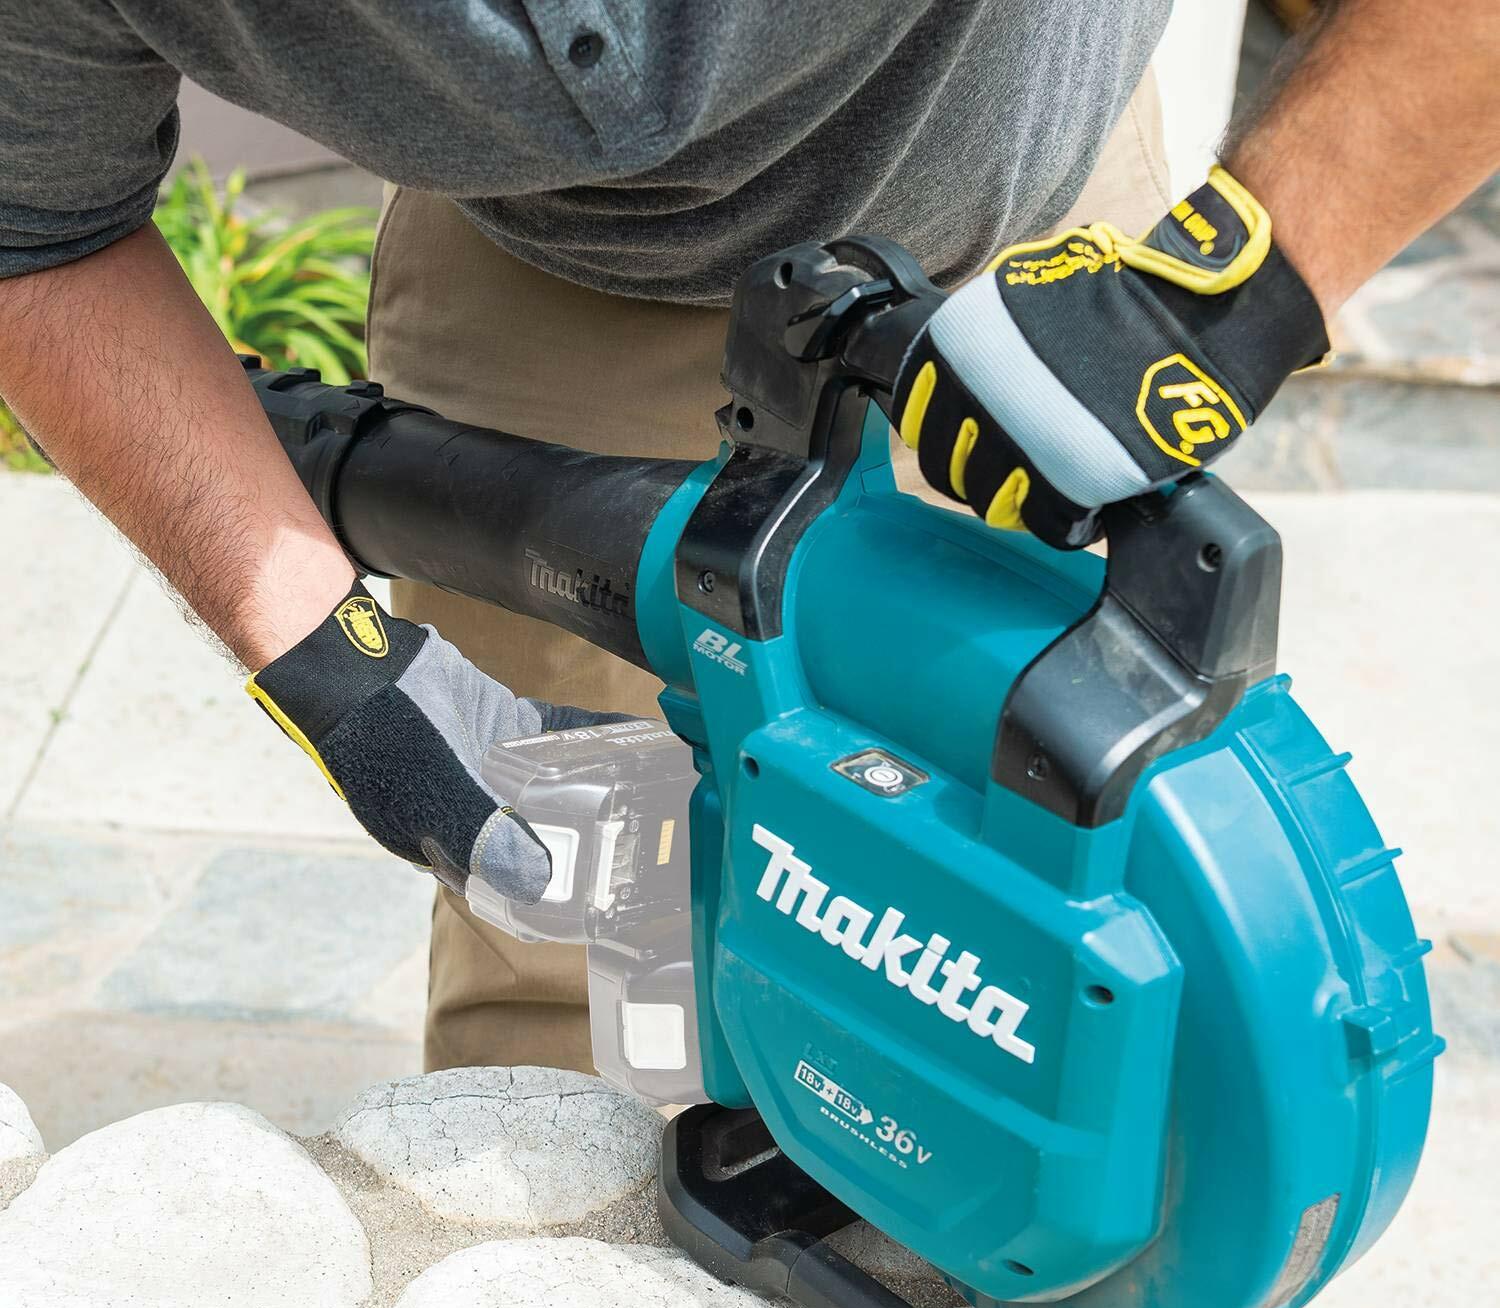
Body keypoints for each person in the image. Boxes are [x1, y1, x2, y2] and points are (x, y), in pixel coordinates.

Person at [1, 1, 1495, 1076]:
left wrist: (1235, 282)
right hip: (559, 297)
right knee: (586, 998)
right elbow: (33, 232)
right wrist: (333, 664)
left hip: (1046, 265)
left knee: (1039, 969)